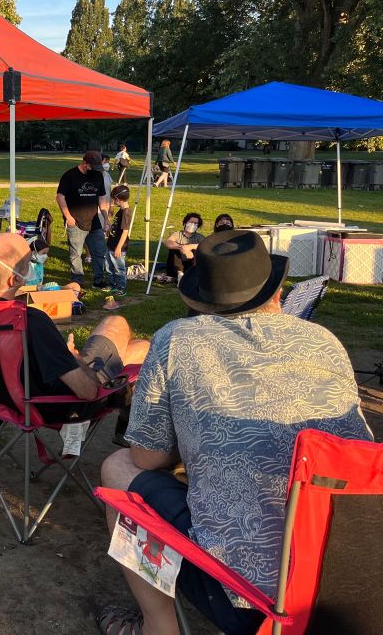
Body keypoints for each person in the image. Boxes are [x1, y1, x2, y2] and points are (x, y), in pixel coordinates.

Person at [97, 230, 372, 635]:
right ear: (278, 294)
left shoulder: (176, 338)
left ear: (202, 301)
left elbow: (147, 458)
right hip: (352, 582)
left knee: (119, 467)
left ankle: (158, 626)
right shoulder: (324, 341)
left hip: (253, 602)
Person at [0, 233, 148, 420]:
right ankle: (128, 424)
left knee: (136, 347)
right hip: (57, 406)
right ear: (14, 280)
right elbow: (88, 392)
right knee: (121, 328)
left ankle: (126, 419)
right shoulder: (29, 321)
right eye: (27, 263)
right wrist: (75, 359)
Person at [56, 150, 109, 287]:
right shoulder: (70, 176)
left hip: (94, 221)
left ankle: (99, 280)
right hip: (75, 221)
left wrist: (105, 217)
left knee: (99, 251)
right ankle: (77, 281)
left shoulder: (98, 175)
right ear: (85, 163)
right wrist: (68, 217)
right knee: (76, 254)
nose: (95, 170)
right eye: (93, 167)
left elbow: (101, 197)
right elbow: (60, 197)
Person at [105, 185, 132, 296]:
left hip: (118, 246)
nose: (113, 202)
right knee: (109, 266)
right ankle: (112, 284)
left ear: (117, 199)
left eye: (113, 199)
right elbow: (118, 226)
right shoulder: (120, 211)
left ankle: (121, 287)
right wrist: (110, 228)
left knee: (119, 268)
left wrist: (119, 247)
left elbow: (125, 232)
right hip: (111, 244)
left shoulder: (126, 212)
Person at [164, 212, 204, 283]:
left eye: (195, 223)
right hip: (174, 267)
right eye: (191, 222)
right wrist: (182, 248)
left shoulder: (199, 237)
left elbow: (204, 246)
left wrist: (190, 247)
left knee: (197, 251)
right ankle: (180, 274)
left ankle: (191, 275)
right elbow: (168, 243)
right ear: (185, 222)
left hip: (191, 266)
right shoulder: (177, 234)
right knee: (174, 250)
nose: (193, 225)